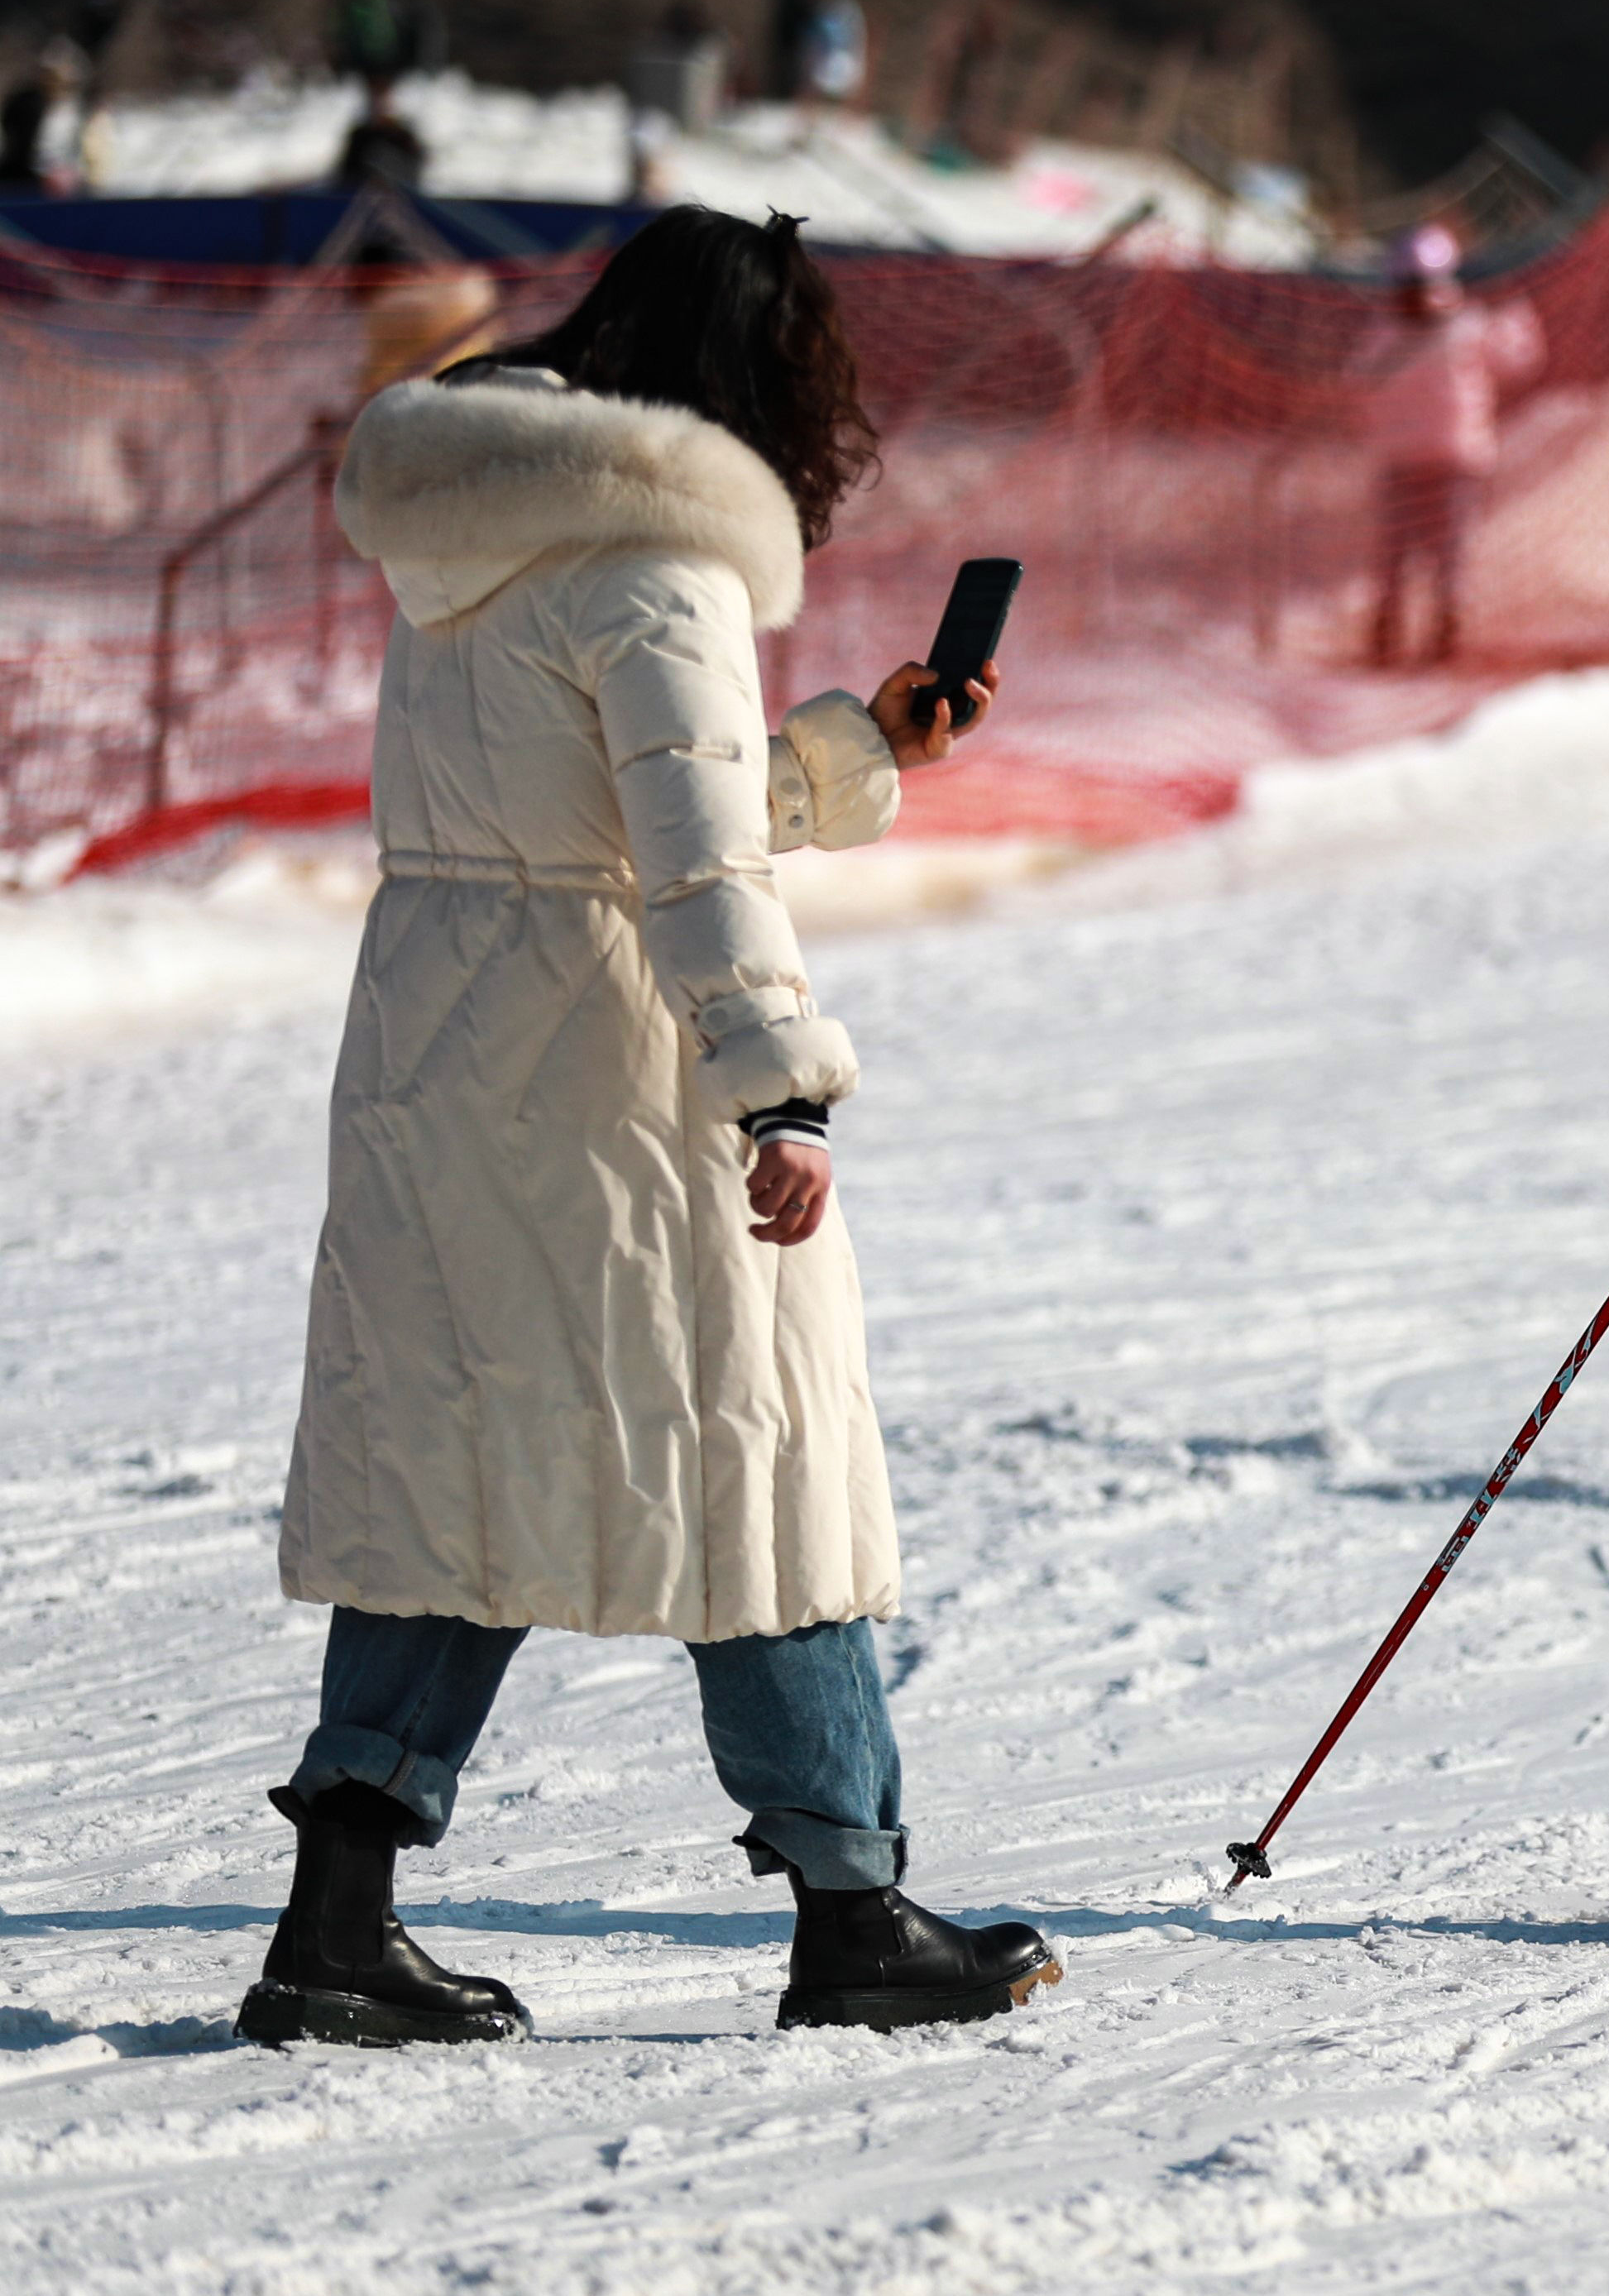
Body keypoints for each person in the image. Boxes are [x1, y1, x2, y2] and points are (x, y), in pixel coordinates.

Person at [249, 207, 1055, 2049]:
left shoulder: (473, 533)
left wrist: (865, 752)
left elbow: (600, 812)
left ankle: (335, 1918)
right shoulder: (663, 568)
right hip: (616, 1075)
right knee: (748, 1457)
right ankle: (851, 1905)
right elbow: (683, 858)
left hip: (442, 1051)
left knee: (464, 1471)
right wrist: (778, 1081)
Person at [1356, 223, 1542, 668]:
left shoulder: (1431, 329)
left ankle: (1424, 640)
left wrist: (1513, 321)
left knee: (1427, 558)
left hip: (1432, 460)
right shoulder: (1455, 326)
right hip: (1429, 458)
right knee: (1419, 559)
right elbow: (1519, 362)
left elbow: (1357, 380)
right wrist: (1516, 318)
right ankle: (1407, 639)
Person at [331, 74, 427, 195]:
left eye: (384, 100)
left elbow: (414, 176)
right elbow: (346, 176)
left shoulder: (404, 137)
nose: (380, 106)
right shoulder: (359, 136)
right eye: (376, 100)